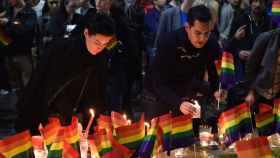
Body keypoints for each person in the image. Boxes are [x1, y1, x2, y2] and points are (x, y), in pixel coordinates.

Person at [15, 13, 116, 134]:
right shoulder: (61, 50)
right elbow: (44, 86)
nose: (100, 48)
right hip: (51, 115)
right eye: (97, 42)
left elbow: (97, 92)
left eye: (105, 44)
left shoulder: (101, 58)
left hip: (78, 118)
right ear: (86, 33)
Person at [143, 5, 225, 134]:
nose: (202, 39)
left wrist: (216, 90)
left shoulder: (211, 44)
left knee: (182, 136)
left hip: (185, 89)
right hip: (157, 93)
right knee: (157, 136)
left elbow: (215, 73)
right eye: (198, 33)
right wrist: (178, 103)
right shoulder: (169, 42)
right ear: (187, 27)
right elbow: (158, 82)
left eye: (206, 33)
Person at [245, 28, 280, 110]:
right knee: (259, 121)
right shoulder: (265, 38)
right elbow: (250, 67)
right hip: (260, 94)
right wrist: (250, 92)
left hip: (277, 95)